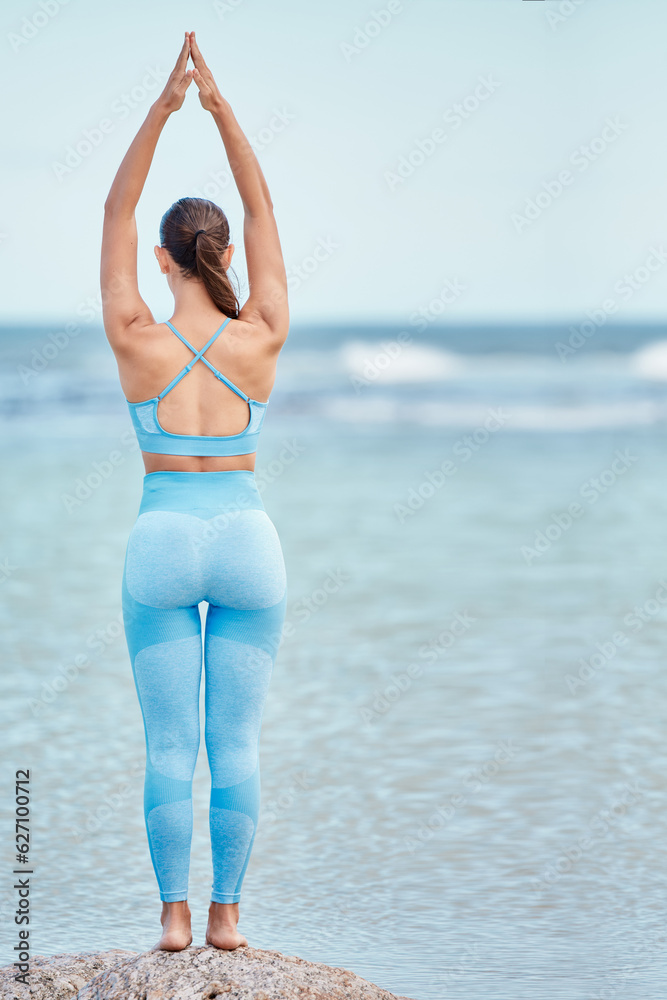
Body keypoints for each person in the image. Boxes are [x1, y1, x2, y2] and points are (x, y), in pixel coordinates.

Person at [100, 31, 289, 952]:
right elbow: (262, 209)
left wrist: (162, 108)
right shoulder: (262, 332)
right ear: (217, 255)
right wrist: (221, 110)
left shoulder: (136, 334)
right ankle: (228, 920)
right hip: (249, 540)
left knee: (169, 744)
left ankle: (173, 918)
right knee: (237, 744)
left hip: (161, 538)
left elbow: (115, 209)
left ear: (167, 260)